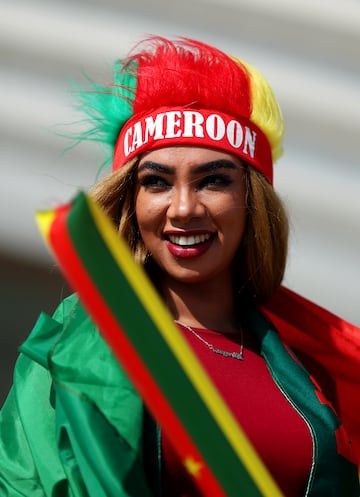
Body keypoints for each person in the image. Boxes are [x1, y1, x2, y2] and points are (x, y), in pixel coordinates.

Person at [0, 36, 359, 497]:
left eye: (213, 180)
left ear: (252, 200)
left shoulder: (311, 374)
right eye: (157, 182)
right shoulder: (78, 347)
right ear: (132, 201)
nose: (184, 208)